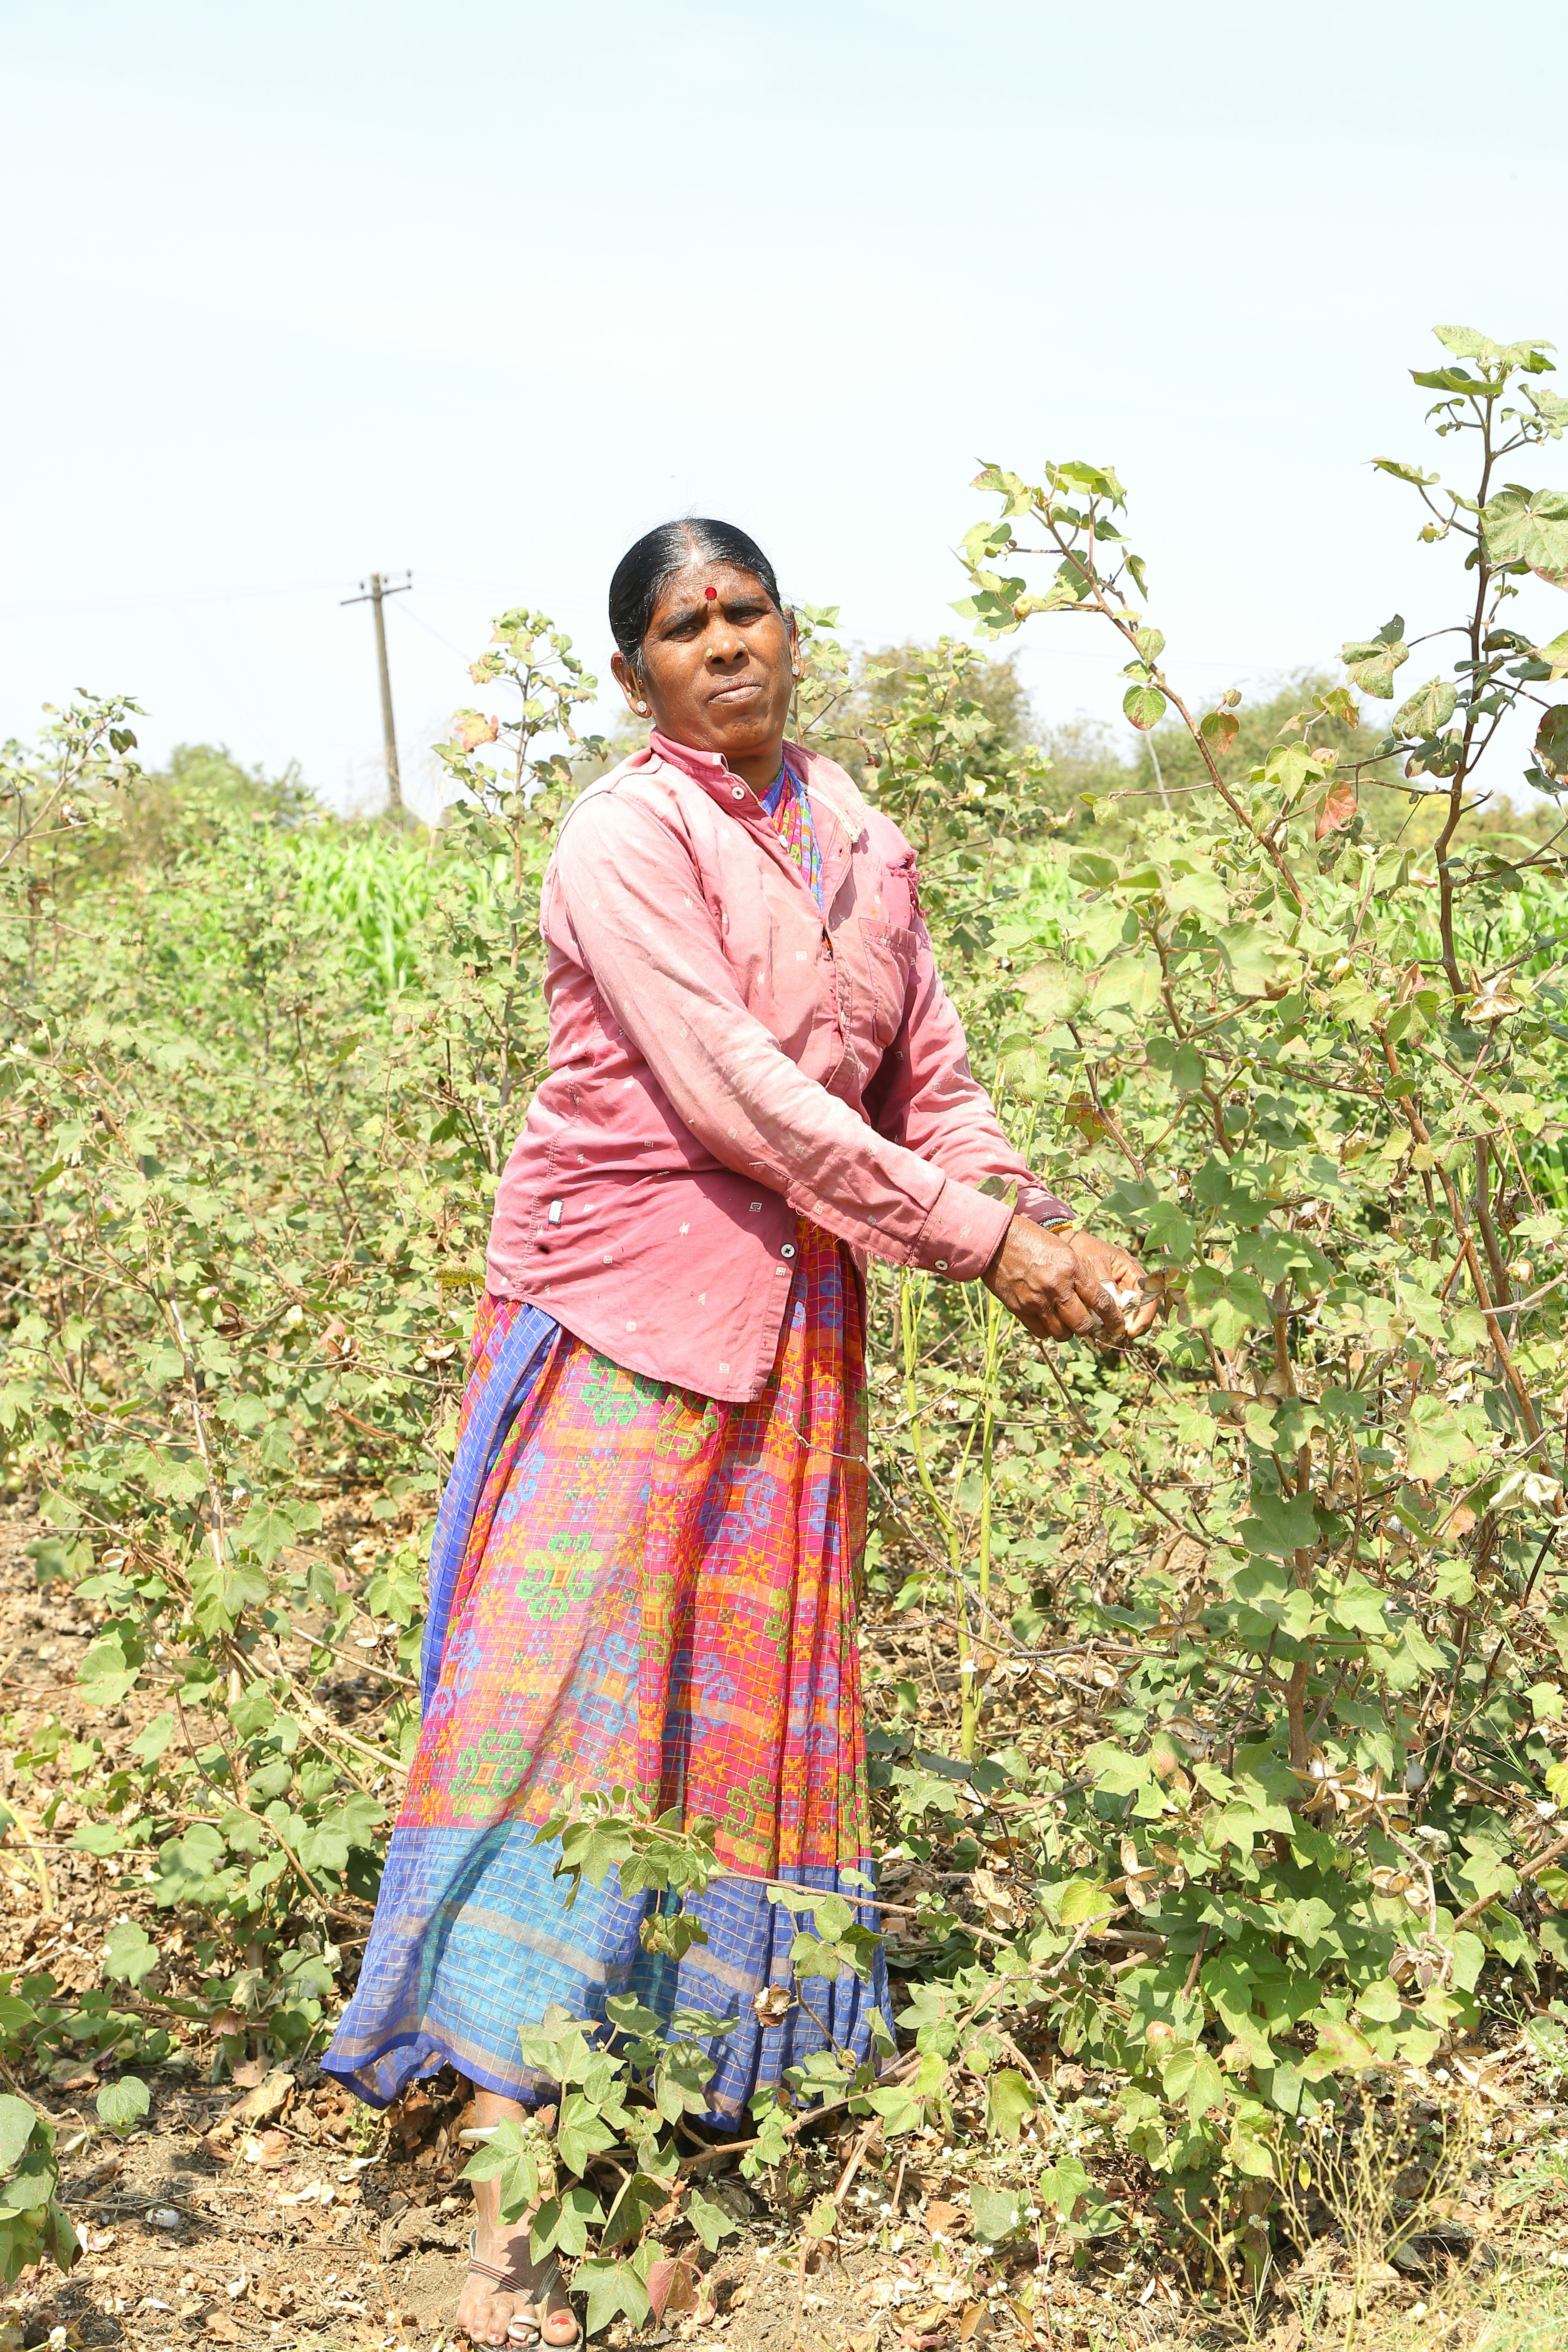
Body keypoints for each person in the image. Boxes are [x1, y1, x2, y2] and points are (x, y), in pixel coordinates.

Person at [323, 519, 1154, 2346]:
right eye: (682, 626)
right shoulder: (631, 836)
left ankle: (675, 2118)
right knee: (563, 1713)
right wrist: (986, 1247)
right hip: (628, 1315)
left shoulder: (860, 839)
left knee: (734, 1718)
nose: (722, 643)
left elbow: (926, 1072)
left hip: (794, 1335)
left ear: (793, 631)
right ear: (636, 676)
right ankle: (501, 2209)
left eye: (746, 610)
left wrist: (1032, 1212)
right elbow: (739, 1093)